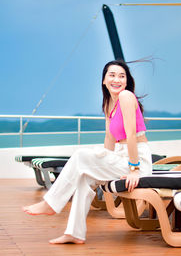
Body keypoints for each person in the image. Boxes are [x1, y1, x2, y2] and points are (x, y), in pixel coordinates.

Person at [23, 59, 152, 244]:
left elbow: (131, 134)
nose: (117, 79)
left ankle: (51, 203)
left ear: (127, 81)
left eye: (122, 76)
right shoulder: (109, 105)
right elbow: (109, 140)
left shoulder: (126, 96)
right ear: (104, 80)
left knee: (80, 156)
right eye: (112, 75)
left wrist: (134, 169)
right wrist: (103, 162)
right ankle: (75, 233)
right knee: (84, 177)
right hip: (121, 157)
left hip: (137, 158)